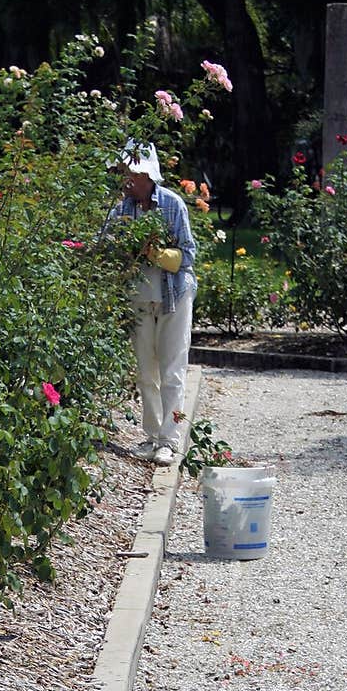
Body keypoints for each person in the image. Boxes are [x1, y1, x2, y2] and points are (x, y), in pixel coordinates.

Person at [112, 143, 197, 466]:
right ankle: (152, 437)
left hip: (174, 295)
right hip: (139, 298)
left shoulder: (172, 205)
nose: (127, 182)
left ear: (147, 176)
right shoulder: (121, 211)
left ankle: (170, 441)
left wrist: (157, 253)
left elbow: (188, 254)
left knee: (173, 370)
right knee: (146, 371)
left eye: (132, 175)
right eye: (125, 175)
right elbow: (107, 249)